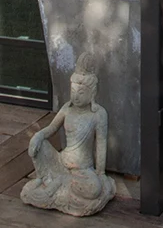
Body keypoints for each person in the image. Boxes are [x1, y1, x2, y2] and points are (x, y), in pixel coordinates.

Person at [20, 53, 116, 217]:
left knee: (94, 190)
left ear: (92, 93)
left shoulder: (98, 114)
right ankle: (54, 181)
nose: (75, 96)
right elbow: (51, 129)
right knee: (38, 144)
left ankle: (53, 183)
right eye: (73, 91)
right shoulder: (67, 108)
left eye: (81, 92)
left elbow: (101, 144)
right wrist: (38, 136)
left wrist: (101, 174)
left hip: (82, 170)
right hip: (60, 162)